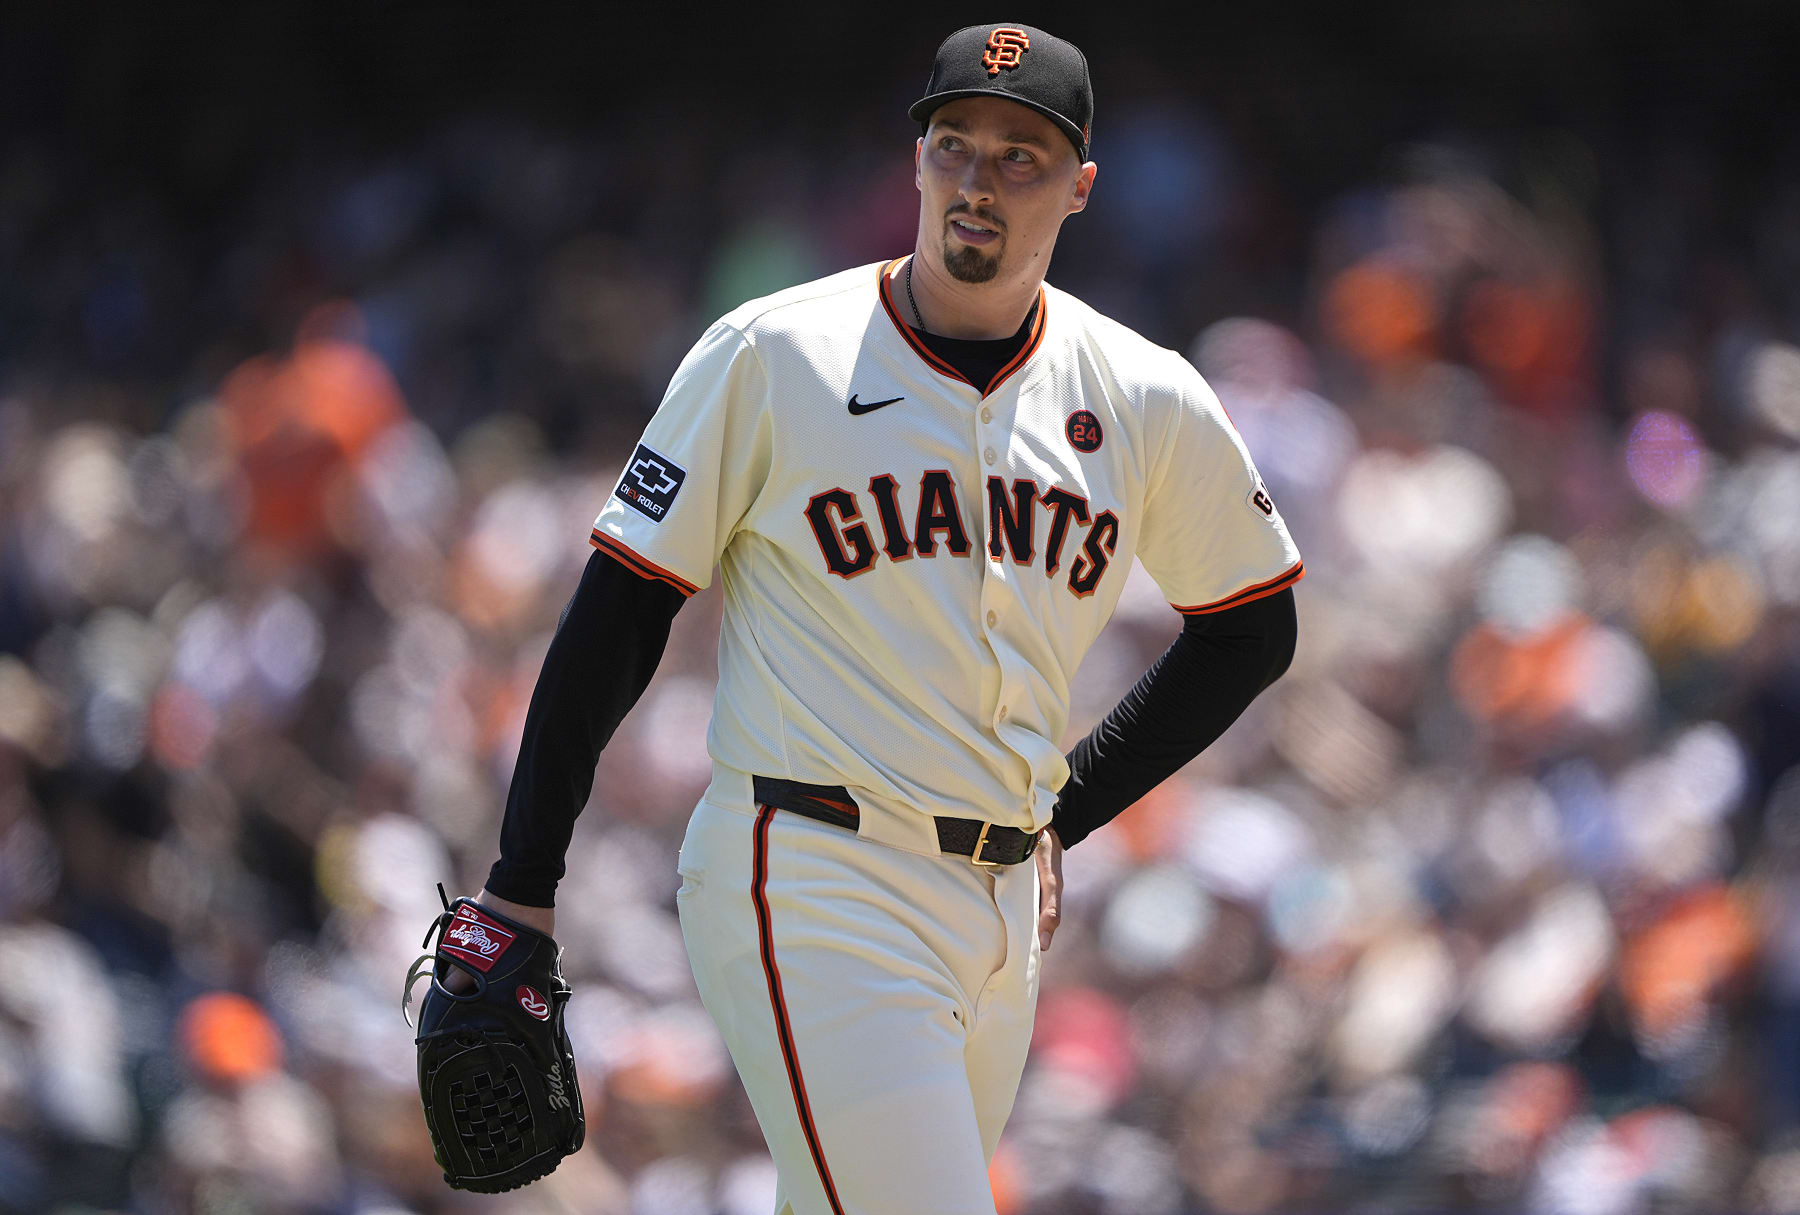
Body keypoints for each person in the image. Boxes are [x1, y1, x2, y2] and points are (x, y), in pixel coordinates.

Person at [468, 22, 1302, 1214]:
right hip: (811, 871)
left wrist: (1071, 809)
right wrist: (521, 879)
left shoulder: (1142, 394)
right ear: (915, 160)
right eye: (954, 144)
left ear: (1080, 188)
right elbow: (620, 614)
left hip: (1002, 907)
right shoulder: (772, 353)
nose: (978, 180)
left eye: (1021, 157)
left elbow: (1251, 630)